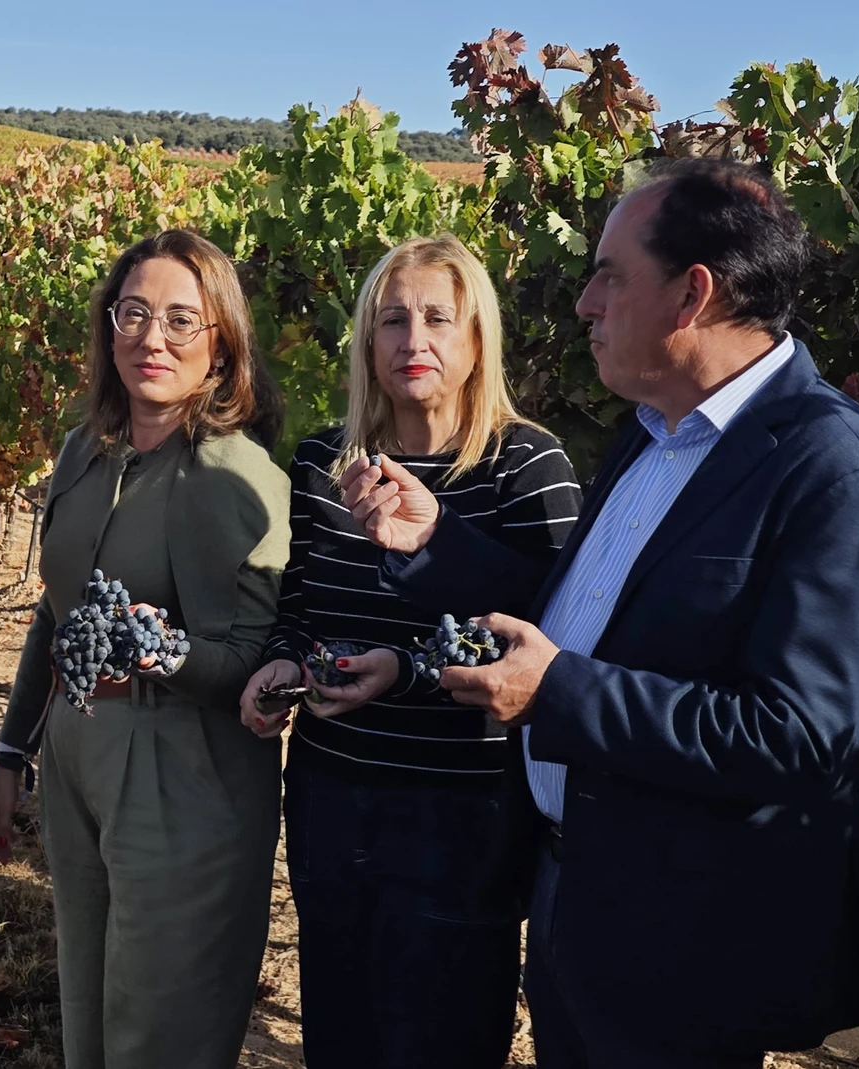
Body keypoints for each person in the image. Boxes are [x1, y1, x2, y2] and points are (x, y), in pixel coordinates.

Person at [342, 159, 859, 1068]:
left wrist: (558, 694)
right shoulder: (653, 433)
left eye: (610, 274)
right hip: (577, 906)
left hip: (682, 954)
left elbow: (804, 738)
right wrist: (437, 544)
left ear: (692, 294)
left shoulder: (835, 473)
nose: (584, 302)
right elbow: (581, 621)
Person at [236, 235, 580, 1068]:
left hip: (461, 808)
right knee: (344, 1028)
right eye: (393, 320)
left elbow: (549, 636)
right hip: (331, 790)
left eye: (437, 318)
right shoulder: (325, 460)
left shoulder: (524, 467)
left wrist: (410, 672)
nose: (412, 341)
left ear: (475, 340)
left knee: (446, 1035)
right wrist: (281, 664)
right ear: (365, 340)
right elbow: (300, 603)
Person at [0, 229, 290, 1068]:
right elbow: (56, 612)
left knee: (161, 1028)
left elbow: (250, 670)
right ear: (109, 328)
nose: (153, 339)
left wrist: (161, 651)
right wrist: (13, 754)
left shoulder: (232, 477)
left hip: (179, 768)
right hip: (79, 750)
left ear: (221, 347)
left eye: (183, 320)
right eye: (135, 314)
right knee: (90, 1008)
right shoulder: (86, 453)